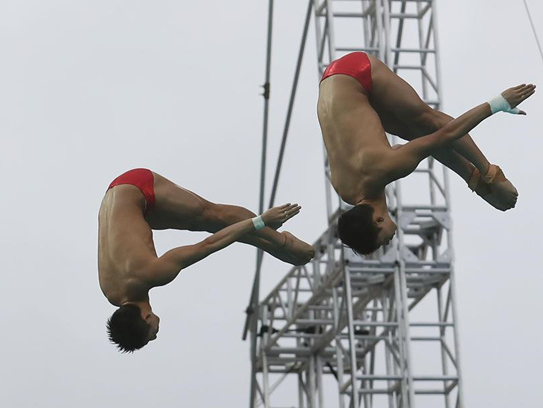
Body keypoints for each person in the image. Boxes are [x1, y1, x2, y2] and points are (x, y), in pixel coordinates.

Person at [317, 52, 535, 255]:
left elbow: (447, 132)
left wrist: (498, 104)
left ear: (378, 221)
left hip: (354, 71)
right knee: (415, 134)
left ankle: (488, 173)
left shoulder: (386, 167)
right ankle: (475, 179)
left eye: (383, 241)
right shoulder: (347, 190)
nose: (389, 242)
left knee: (426, 121)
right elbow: (421, 148)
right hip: (332, 88)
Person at [98, 168, 315, 352]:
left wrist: (261, 220)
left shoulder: (152, 274)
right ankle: (271, 241)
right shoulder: (111, 292)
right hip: (117, 199)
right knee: (211, 224)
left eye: (150, 336)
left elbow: (209, 245)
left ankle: (281, 241)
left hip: (137, 186)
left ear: (146, 318)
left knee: (211, 215)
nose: (155, 337)